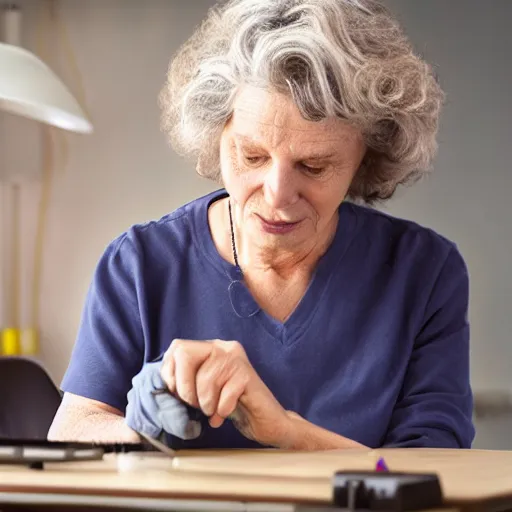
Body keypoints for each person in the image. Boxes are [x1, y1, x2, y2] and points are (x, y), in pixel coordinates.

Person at [48, 0, 475, 450]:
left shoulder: (423, 272)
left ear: (366, 159)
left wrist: (288, 433)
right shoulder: (139, 265)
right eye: (252, 156)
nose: (276, 194)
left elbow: (435, 472)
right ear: (217, 134)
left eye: (313, 166)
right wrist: (140, 433)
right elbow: (71, 430)